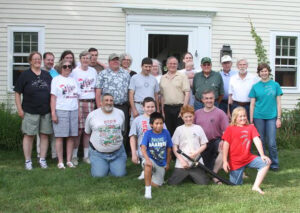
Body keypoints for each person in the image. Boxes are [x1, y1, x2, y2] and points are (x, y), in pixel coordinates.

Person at [14, 51, 52, 170]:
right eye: (34, 59)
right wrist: (20, 109)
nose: (37, 61)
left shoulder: (46, 75)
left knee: (44, 135)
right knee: (29, 136)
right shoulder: (25, 75)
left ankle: (42, 159)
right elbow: (17, 93)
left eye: (39, 59)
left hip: (46, 111)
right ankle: (28, 161)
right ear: (30, 61)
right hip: (30, 111)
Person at [222, 107, 271, 194]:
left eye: (244, 116)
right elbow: (225, 146)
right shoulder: (230, 129)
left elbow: (257, 140)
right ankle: (241, 174)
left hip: (248, 158)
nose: (243, 118)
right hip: (236, 162)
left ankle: (255, 186)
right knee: (235, 185)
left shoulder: (250, 127)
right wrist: (225, 161)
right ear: (235, 118)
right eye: (240, 116)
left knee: (266, 162)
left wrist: (262, 155)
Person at [249, 63, 283, 171]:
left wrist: (279, 118)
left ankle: (274, 164)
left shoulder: (275, 85)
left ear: (269, 72)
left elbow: (278, 103)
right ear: (259, 73)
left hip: (272, 117)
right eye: (261, 71)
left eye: (265, 71)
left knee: (272, 142)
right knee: (261, 141)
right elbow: (252, 104)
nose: (264, 73)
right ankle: (263, 163)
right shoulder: (255, 87)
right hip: (258, 116)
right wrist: (251, 121)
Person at [85, 93, 127, 177]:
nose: (109, 102)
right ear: (101, 103)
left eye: (111, 100)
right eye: (106, 100)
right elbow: (88, 132)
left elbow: (121, 130)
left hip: (117, 152)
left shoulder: (120, 113)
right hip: (98, 153)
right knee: (99, 175)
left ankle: (112, 165)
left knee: (120, 175)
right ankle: (101, 164)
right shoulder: (92, 115)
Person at [95, 53, 131, 151]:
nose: (115, 62)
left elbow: (129, 91)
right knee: (108, 129)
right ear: (109, 62)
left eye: (117, 60)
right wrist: (99, 108)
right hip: (107, 106)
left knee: (122, 129)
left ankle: (121, 150)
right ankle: (107, 149)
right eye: (113, 60)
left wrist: (130, 107)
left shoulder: (126, 74)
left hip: (122, 106)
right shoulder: (102, 73)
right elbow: (98, 92)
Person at [168, 105, 209, 185]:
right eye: (186, 117)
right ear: (182, 117)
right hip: (183, 162)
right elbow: (174, 146)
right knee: (172, 183)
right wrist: (182, 160)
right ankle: (187, 174)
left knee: (203, 183)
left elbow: (204, 145)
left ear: (193, 116)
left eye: (190, 116)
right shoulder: (179, 129)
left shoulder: (198, 128)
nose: (188, 119)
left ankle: (191, 174)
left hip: (196, 161)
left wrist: (196, 153)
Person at [194, 90, 229, 184]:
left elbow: (227, 131)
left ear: (214, 99)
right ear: (202, 100)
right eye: (206, 98)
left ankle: (214, 175)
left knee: (224, 148)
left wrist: (223, 140)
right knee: (203, 168)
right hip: (201, 143)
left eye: (211, 98)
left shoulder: (220, 113)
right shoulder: (197, 113)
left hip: (215, 141)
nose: (209, 100)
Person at [51, 59, 79, 169]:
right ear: (60, 68)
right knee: (60, 136)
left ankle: (68, 160)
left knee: (71, 137)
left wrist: (78, 111)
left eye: (69, 66)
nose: (67, 68)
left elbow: (77, 96)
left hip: (73, 110)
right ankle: (60, 161)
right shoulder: (56, 80)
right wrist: (53, 113)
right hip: (61, 110)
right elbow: (53, 98)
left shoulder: (73, 80)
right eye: (65, 66)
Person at [70, 51, 97, 165]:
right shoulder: (75, 72)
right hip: (79, 102)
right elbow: (72, 88)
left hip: (91, 102)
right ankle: (74, 156)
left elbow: (96, 88)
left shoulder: (93, 71)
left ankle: (86, 156)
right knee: (79, 130)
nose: (86, 60)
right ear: (80, 59)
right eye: (84, 58)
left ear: (90, 60)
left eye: (88, 58)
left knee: (88, 130)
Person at [141, 112, 173, 199]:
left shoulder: (166, 133)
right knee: (148, 165)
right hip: (150, 159)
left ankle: (148, 176)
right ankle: (148, 191)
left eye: (161, 123)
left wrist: (168, 163)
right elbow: (143, 148)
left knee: (157, 185)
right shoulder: (148, 133)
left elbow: (169, 149)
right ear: (151, 124)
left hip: (161, 162)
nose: (159, 125)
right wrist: (147, 159)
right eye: (156, 123)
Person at [160, 56, 190, 136]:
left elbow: (187, 93)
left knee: (180, 131)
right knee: (168, 131)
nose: (172, 65)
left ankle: (179, 148)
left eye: (174, 64)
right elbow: (162, 96)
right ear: (166, 65)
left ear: (177, 65)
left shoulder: (182, 76)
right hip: (167, 108)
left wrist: (183, 109)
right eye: (170, 63)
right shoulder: (163, 78)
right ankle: (170, 148)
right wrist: (162, 111)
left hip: (179, 108)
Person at [36, 52, 58, 160]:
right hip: (42, 105)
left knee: (54, 131)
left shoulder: (55, 73)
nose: (50, 62)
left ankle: (55, 154)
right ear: (44, 60)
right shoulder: (39, 72)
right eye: (48, 59)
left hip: (54, 105)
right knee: (41, 131)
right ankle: (40, 153)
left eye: (52, 60)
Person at [129, 97, 157, 179]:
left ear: (155, 107)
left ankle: (153, 170)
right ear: (143, 107)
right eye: (148, 107)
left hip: (157, 150)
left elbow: (165, 134)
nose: (150, 109)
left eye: (152, 107)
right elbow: (132, 137)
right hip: (143, 152)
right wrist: (134, 153)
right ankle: (145, 169)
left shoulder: (158, 119)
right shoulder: (137, 120)